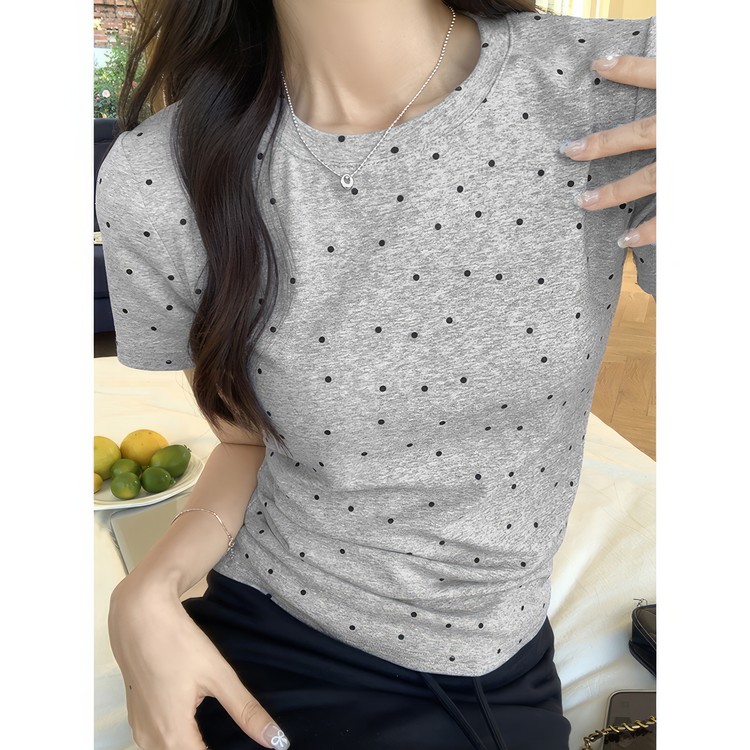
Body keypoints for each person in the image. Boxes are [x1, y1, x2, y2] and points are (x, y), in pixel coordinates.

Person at [95, 1, 656, 748]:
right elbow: (244, 442)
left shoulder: (628, 84)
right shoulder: (158, 173)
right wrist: (149, 588)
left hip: (482, 660)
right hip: (260, 624)